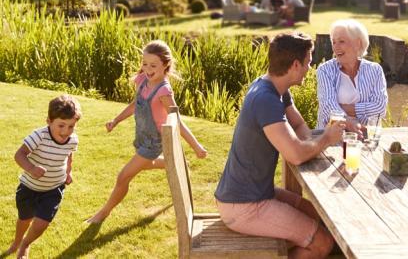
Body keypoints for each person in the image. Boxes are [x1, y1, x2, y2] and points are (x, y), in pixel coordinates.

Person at [215, 32, 341, 258]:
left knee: (320, 215)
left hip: (254, 192)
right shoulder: (266, 99)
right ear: (295, 64)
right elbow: (294, 155)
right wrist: (325, 140)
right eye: (308, 63)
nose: (309, 69)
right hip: (245, 206)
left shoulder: (273, 88)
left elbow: (300, 125)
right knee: (323, 242)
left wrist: (316, 141)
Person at [88, 40, 207, 223]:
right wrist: (116, 120)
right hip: (142, 136)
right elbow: (136, 104)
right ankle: (174, 164)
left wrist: (196, 146)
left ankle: (103, 213)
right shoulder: (143, 80)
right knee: (145, 165)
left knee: (124, 176)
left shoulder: (164, 91)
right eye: (145, 64)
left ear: (165, 65)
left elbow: (177, 120)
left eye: (153, 65)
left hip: (154, 141)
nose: (147, 69)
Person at [7, 95, 82, 259]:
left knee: (41, 224)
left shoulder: (72, 140)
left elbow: (69, 155)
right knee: (24, 219)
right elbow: (19, 154)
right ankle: (16, 242)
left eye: (71, 126)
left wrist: (68, 172)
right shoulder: (39, 136)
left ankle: (25, 245)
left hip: (54, 188)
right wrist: (31, 168)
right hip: (29, 187)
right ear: (49, 121)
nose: (66, 131)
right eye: (61, 125)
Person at [316, 19, 388, 132]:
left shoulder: (375, 70)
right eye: (333, 42)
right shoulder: (325, 70)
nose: (336, 47)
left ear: (357, 43)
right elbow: (328, 108)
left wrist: (343, 108)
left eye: (341, 41)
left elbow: (380, 109)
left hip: (367, 137)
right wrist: (350, 122)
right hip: (332, 138)